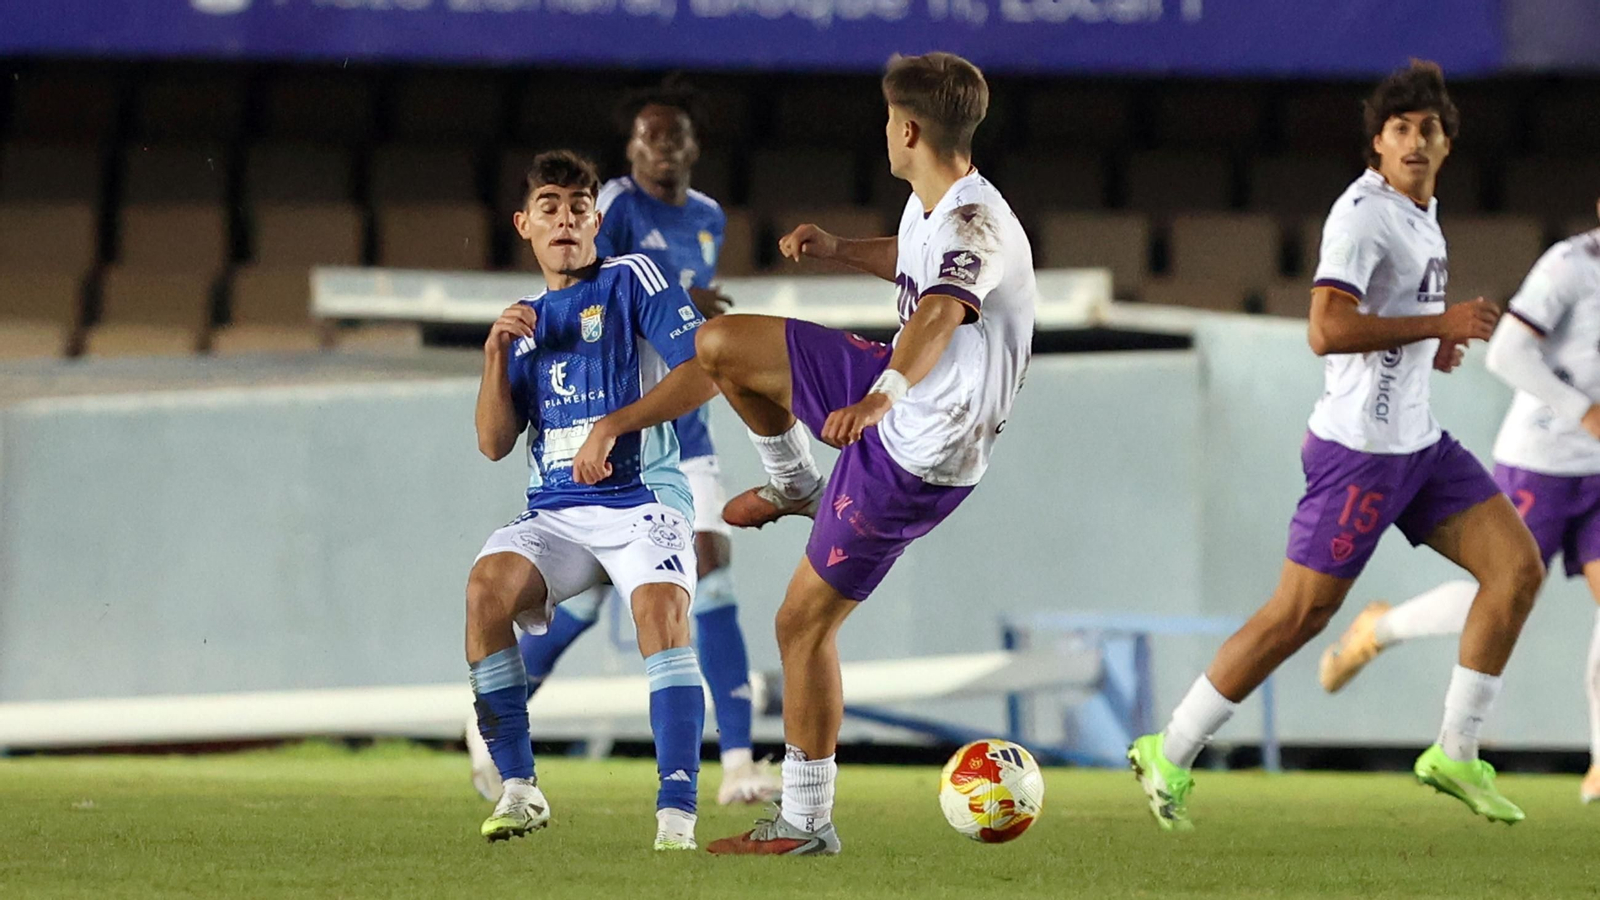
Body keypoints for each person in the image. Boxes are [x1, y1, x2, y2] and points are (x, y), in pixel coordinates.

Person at [1128, 60, 1544, 831]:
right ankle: (1171, 747)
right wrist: (1438, 325)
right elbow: (1325, 329)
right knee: (1298, 618)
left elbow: (1396, 323)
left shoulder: (1421, 213)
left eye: (1429, 129)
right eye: (1400, 130)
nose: (1415, 142)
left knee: (1516, 568)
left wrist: (1432, 347)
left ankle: (1455, 751)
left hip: (1417, 448)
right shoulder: (1362, 215)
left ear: (1447, 143)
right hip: (1358, 454)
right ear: (1377, 146)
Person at [696, 52, 1036, 856]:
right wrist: (840, 248)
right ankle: (796, 486)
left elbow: (941, 313)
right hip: (891, 396)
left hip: (918, 454)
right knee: (722, 346)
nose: (885, 131)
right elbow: (915, 262)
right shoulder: (934, 203)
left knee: (799, 625)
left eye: (889, 120)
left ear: (908, 128)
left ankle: (808, 821)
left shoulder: (975, 228)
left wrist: (881, 395)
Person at [469, 78, 778, 807]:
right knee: (613, 586)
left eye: (673, 135)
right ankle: (498, 724)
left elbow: (688, 330)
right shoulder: (612, 209)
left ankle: (731, 765)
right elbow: (601, 291)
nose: (660, 148)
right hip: (596, 445)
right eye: (647, 136)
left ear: (693, 146)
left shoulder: (707, 217)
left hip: (672, 429)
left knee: (697, 572)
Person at [466, 150, 715, 850]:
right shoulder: (523, 323)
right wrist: (492, 357)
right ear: (525, 224)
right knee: (486, 590)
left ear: (597, 220)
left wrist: (614, 423)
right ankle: (519, 788)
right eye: (549, 206)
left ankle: (676, 817)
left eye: (579, 207)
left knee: (660, 615)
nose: (565, 219)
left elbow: (705, 371)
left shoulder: (634, 278)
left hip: (644, 498)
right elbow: (492, 443)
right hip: (559, 512)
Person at [1321, 199, 1600, 803]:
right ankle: (1380, 628)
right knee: (1501, 590)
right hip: (1544, 461)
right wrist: (1586, 414)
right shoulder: (1572, 265)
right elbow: (1506, 353)